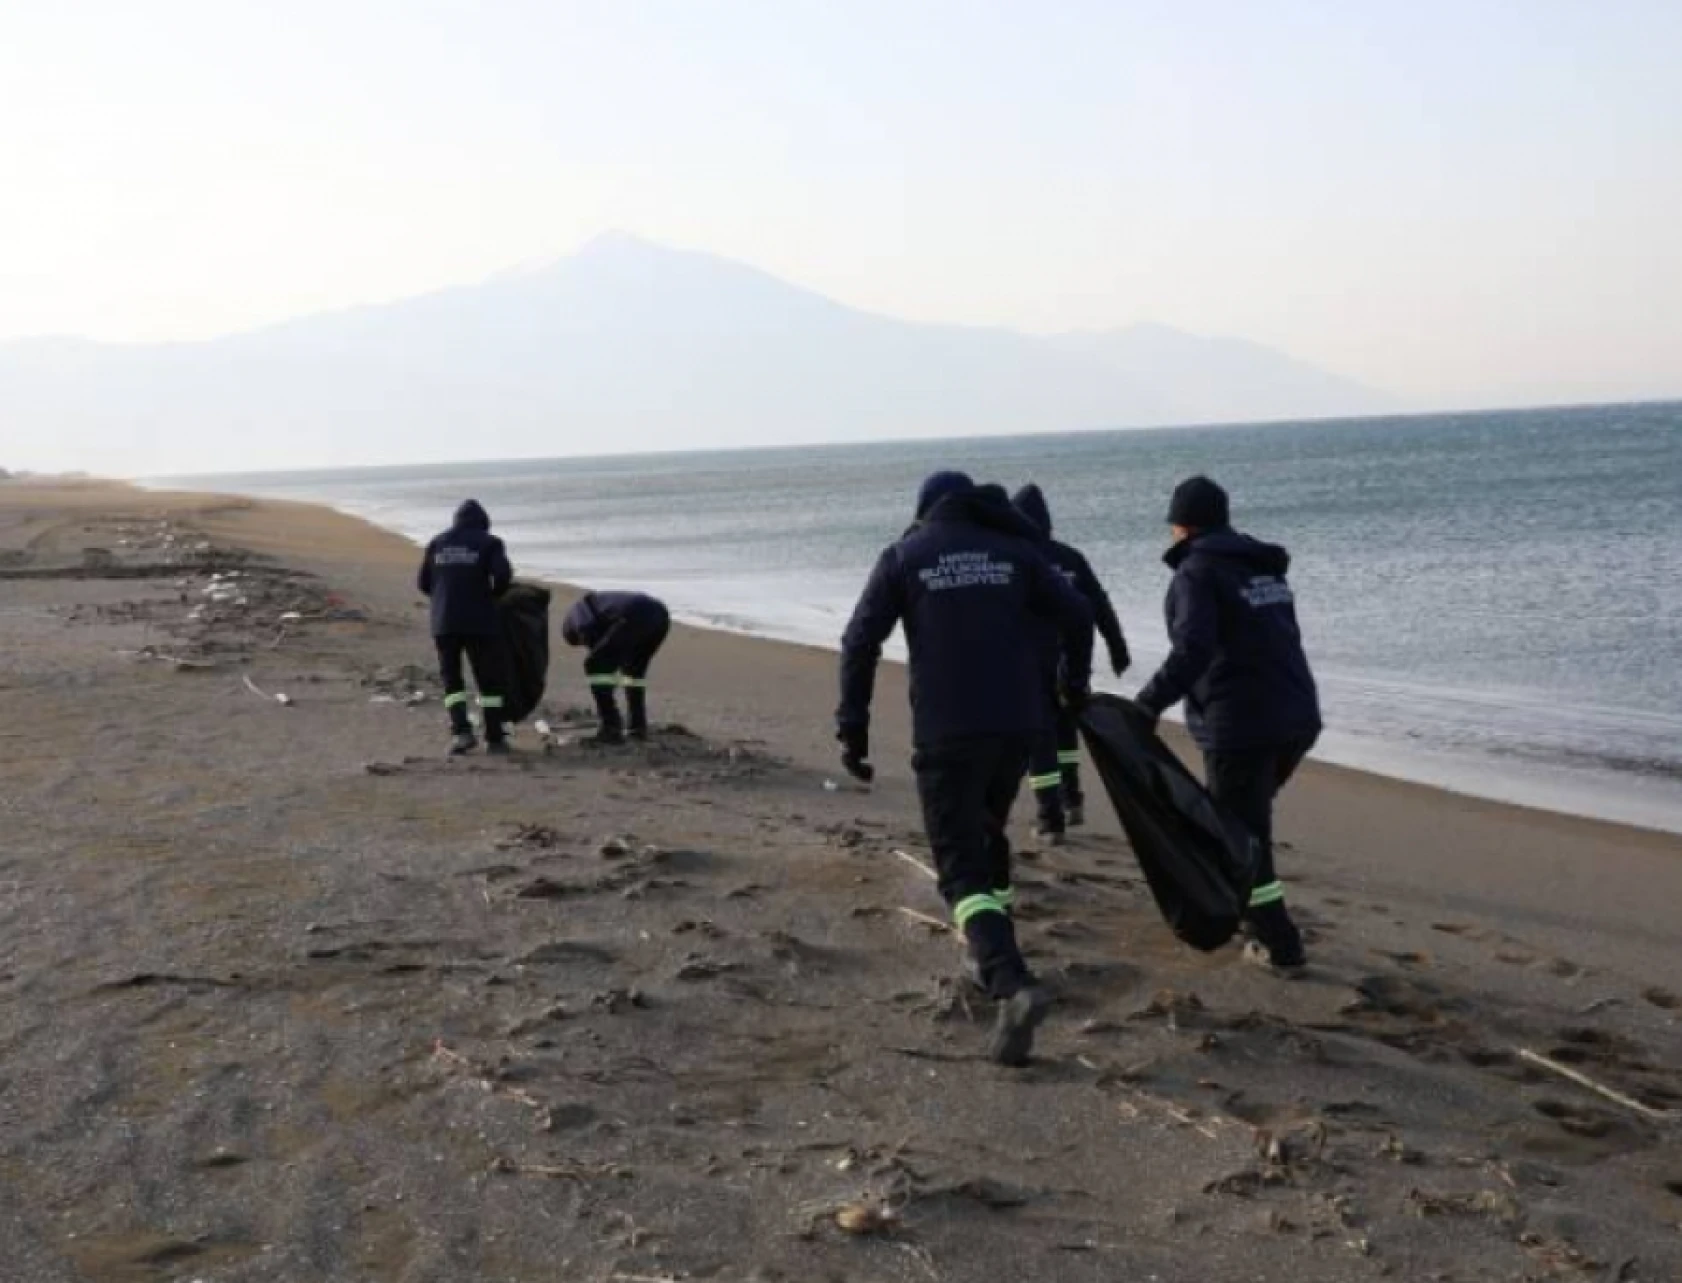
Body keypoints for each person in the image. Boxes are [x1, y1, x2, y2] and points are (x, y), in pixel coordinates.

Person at [837, 471, 1094, 1066]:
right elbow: (1078, 613)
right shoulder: (1015, 549)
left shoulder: (906, 554)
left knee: (957, 868)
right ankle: (989, 948)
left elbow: (859, 641)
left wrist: (853, 727)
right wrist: (1072, 684)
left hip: (949, 730)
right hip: (1019, 727)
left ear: (925, 509)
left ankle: (1009, 979)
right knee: (986, 832)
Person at [1135, 476, 1322, 971]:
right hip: (1296, 715)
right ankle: (1253, 916)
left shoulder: (1197, 573)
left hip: (1243, 724)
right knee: (1243, 825)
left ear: (1181, 526)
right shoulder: (1262, 570)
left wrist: (1147, 705)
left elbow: (1192, 650)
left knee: (1241, 836)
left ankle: (1278, 943)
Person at [1012, 483, 1132, 843]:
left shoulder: (1017, 558)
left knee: (1039, 741)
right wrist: (1117, 647)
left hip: (1033, 665)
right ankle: (1072, 799)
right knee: (1065, 734)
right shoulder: (1071, 557)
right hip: (1074, 663)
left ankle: (1051, 820)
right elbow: (1099, 604)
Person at [418, 499, 514, 755]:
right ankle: (494, 738)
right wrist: (493, 597)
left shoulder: (437, 543)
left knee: (452, 679)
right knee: (488, 679)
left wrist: (443, 598)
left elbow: (423, 583)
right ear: (484, 522)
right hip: (480, 620)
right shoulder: (490, 543)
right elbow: (503, 576)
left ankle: (462, 733)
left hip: (444, 622)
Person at [561, 591, 672, 744]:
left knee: (595, 665)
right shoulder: (594, 606)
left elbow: (597, 651)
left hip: (633, 614)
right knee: (633, 671)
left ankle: (610, 727)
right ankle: (637, 727)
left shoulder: (577, 619)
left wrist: (602, 668)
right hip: (660, 615)